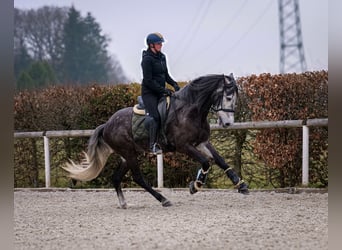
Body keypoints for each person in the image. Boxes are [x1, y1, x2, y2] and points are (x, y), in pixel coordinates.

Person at [141, 32, 180, 154]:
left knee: (171, 113)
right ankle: (152, 145)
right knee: (155, 117)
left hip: (160, 92)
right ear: (151, 45)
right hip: (149, 93)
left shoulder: (162, 57)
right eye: (159, 43)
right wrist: (164, 90)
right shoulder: (147, 60)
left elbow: (166, 75)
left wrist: (174, 84)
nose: (161, 45)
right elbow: (149, 81)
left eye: (161, 43)